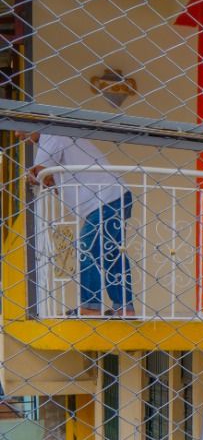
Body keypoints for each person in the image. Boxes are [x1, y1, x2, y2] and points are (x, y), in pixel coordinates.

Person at [24, 131, 132, 316]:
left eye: (19, 128)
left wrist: (35, 176)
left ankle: (90, 307)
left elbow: (39, 174)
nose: (17, 134)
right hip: (114, 197)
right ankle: (125, 309)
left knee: (87, 248)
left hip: (106, 199)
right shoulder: (59, 137)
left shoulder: (51, 135)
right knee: (112, 254)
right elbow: (46, 176)